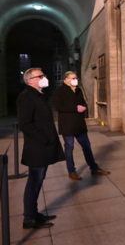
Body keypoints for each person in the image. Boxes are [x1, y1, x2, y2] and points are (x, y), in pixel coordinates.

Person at [17, 68, 65, 229]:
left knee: (37, 181)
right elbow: (25, 124)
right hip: (37, 148)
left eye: (44, 75)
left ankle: (34, 213)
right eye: (41, 76)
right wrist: (44, 138)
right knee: (34, 181)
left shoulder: (38, 95)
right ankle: (29, 218)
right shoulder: (26, 97)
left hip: (42, 146)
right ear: (30, 80)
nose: (44, 78)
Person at [52, 71, 110, 180]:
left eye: (76, 78)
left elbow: (83, 103)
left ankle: (94, 168)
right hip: (67, 125)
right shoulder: (59, 91)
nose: (75, 80)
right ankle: (71, 171)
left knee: (87, 147)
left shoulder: (78, 90)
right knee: (69, 148)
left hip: (79, 125)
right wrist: (75, 108)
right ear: (66, 79)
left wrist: (83, 107)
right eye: (73, 78)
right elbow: (58, 107)